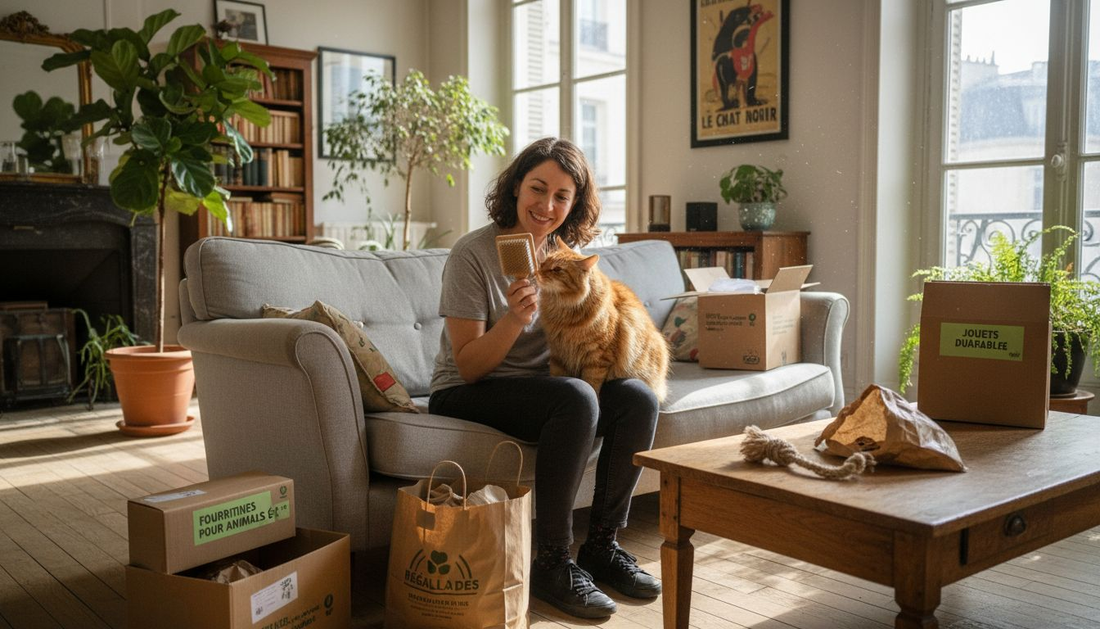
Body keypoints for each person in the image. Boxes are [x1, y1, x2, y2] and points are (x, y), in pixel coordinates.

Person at [429, 137, 661, 619]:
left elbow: (592, 333)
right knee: (576, 398)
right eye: (538, 188)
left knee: (637, 398)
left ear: (574, 205)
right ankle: (553, 561)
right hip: (466, 391)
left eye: (562, 197)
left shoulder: (565, 258)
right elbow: (468, 365)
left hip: (543, 389)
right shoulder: (472, 254)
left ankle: (602, 546)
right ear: (515, 187)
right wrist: (514, 318)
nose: (547, 205)